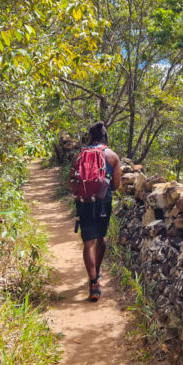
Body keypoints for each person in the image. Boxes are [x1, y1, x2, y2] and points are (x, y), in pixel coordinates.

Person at [73, 121, 121, 302]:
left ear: (90, 137)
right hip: (103, 202)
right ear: (105, 137)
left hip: (84, 203)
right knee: (101, 237)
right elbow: (116, 185)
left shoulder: (79, 156)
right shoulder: (112, 156)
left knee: (88, 243)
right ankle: (97, 271)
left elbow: (72, 184)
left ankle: (93, 283)